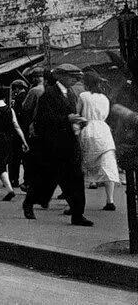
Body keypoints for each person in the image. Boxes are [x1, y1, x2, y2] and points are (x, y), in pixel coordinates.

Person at [23, 66, 93, 226]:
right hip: (53, 146)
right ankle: (29, 202)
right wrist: (67, 119)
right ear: (61, 77)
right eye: (73, 77)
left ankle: (77, 215)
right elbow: (42, 120)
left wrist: (79, 121)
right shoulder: (48, 94)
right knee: (45, 179)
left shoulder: (71, 94)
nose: (76, 80)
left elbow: (70, 115)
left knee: (76, 179)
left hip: (69, 143)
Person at [77, 72, 119, 210]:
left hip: (89, 128)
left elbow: (78, 114)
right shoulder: (105, 98)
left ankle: (79, 201)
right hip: (104, 130)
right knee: (108, 164)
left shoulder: (83, 96)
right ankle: (110, 200)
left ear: (86, 83)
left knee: (84, 162)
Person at [8, 80, 30, 188]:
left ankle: (14, 179)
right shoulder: (27, 95)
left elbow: (16, 115)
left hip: (19, 130)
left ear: (17, 88)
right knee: (25, 157)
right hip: (26, 129)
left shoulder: (19, 98)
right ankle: (26, 180)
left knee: (15, 157)